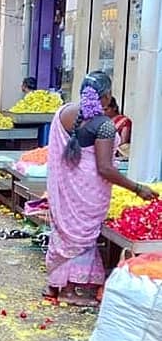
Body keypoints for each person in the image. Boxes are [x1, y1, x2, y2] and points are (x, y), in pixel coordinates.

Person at [45, 72, 157, 306]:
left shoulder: (64, 113)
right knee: (82, 239)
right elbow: (105, 168)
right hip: (87, 194)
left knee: (66, 235)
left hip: (66, 191)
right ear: (106, 97)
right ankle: (71, 290)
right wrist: (137, 188)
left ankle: (55, 285)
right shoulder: (104, 126)